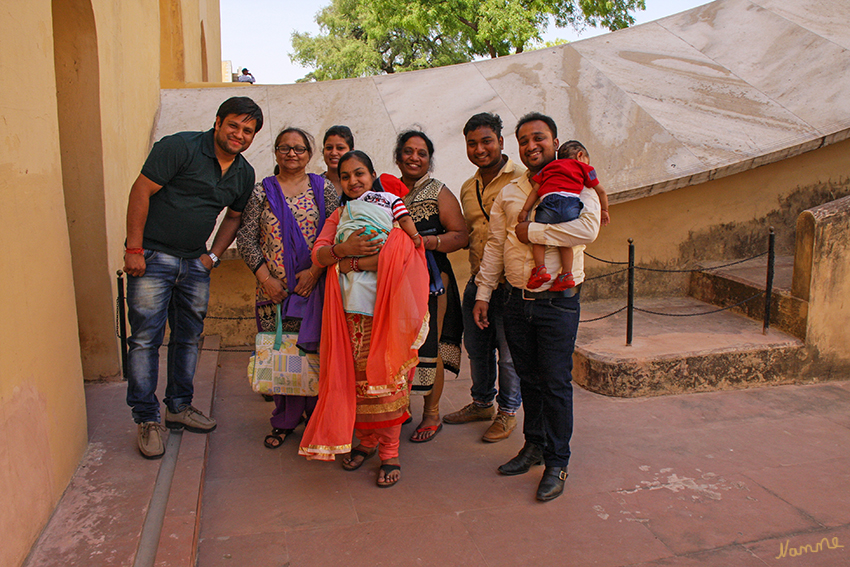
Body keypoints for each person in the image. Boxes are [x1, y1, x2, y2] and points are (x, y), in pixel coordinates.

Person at [123, 96, 263, 459]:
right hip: (152, 257)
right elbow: (141, 190)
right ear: (218, 122)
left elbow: (234, 217)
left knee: (188, 338)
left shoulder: (243, 173)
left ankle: (179, 406)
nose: (239, 134)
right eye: (234, 125)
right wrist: (134, 249)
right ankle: (146, 418)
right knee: (145, 340)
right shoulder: (179, 147)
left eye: (247, 131)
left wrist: (213, 256)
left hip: (195, 264)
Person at [472, 112, 600, 501]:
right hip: (514, 301)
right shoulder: (511, 192)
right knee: (528, 379)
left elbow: (588, 230)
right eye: (524, 140)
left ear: (555, 141)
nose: (531, 146)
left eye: (539, 138)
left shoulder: (578, 179)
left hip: (558, 304)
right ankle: (534, 445)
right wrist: (482, 293)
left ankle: (558, 461)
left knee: (556, 382)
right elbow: (495, 244)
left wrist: (535, 231)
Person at [299, 151, 429, 488]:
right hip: (346, 314)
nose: (353, 181)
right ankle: (368, 441)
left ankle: (390, 450)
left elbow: (402, 252)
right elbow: (320, 253)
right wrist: (344, 251)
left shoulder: (388, 207)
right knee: (356, 384)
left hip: (385, 310)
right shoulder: (340, 214)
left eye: (360, 173)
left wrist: (351, 264)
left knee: (386, 383)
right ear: (339, 181)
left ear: (373, 175)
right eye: (345, 176)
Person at [236, 127, 339, 448]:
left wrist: (315, 272)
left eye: (299, 148)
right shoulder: (260, 193)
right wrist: (266, 279)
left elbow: (337, 235)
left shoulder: (325, 190)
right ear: (276, 153)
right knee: (282, 355)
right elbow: (246, 238)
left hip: (317, 289)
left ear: (310, 155)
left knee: (316, 354)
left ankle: (315, 416)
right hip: (273, 293)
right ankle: (284, 419)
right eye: (285, 147)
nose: (292, 153)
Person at [442, 113, 525, 443]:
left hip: (511, 285)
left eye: (486, 141)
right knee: (477, 348)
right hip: (479, 281)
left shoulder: (521, 178)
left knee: (507, 356)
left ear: (501, 142)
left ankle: (507, 412)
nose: (479, 149)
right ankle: (481, 403)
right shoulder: (467, 187)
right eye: (472, 143)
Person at [393, 130, 468, 443]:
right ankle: (399, 407)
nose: (414, 157)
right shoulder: (385, 188)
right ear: (398, 156)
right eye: (408, 151)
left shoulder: (438, 191)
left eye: (422, 153)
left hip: (433, 280)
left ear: (429, 160)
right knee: (397, 349)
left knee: (428, 345)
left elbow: (461, 235)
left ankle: (433, 413)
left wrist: (427, 242)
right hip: (394, 283)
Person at [519, 140, 610, 291]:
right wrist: (604, 210)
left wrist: (524, 210)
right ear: (580, 155)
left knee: (537, 238)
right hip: (570, 204)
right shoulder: (584, 167)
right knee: (566, 239)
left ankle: (540, 270)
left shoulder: (548, 167)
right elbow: (601, 190)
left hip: (548, 203)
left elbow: (535, 190)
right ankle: (567, 275)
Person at [320, 125, 355, 194]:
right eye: (329, 148)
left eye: (340, 148)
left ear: (351, 151)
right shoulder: (315, 184)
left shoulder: (357, 185)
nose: (333, 153)